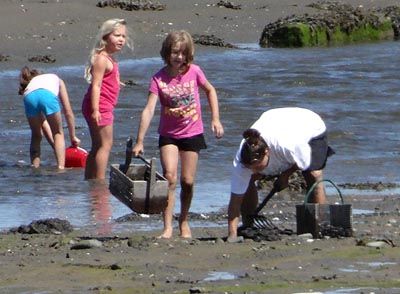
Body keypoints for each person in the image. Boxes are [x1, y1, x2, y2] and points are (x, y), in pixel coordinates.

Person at [132, 30, 224, 239]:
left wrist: (215, 119)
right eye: (175, 52)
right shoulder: (158, 78)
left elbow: (210, 90)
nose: (179, 57)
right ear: (167, 52)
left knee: (188, 181)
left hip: (193, 132)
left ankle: (183, 220)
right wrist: (140, 140)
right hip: (169, 135)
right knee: (170, 177)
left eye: (183, 53)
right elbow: (149, 109)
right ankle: (167, 227)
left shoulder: (195, 72)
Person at [227, 107, 334, 242]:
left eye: (258, 167)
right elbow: (235, 200)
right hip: (275, 120)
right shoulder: (241, 161)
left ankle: (320, 226)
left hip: (310, 126)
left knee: (313, 174)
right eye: (251, 168)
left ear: (267, 152)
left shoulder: (287, 146)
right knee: (249, 179)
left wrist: (285, 175)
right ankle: (249, 222)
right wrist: (232, 234)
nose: (255, 171)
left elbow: (303, 163)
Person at [82, 18, 132, 180]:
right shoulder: (102, 59)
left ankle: (90, 179)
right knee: (105, 145)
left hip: (100, 104)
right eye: (117, 35)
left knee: (97, 145)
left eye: (123, 36)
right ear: (105, 37)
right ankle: (99, 180)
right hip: (100, 106)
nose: (121, 40)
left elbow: (105, 80)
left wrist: (117, 83)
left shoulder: (109, 58)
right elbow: (96, 85)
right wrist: (96, 110)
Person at [18, 66, 81, 169]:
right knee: (58, 133)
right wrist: (73, 136)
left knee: (36, 135)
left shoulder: (32, 83)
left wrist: (54, 145)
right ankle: (60, 168)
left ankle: (35, 167)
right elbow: (68, 112)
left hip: (29, 96)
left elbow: (43, 123)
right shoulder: (58, 80)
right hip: (47, 95)